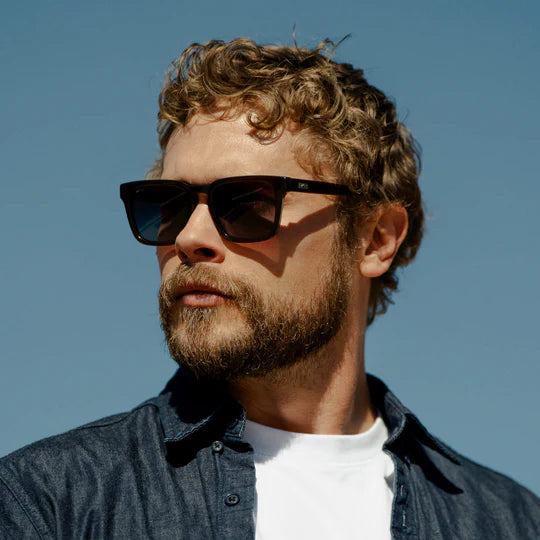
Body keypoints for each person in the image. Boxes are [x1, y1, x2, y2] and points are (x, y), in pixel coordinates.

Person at [1, 38, 538, 539]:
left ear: (375, 239)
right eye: (168, 205)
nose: (189, 238)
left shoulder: (509, 523)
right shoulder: (48, 505)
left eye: (247, 203)